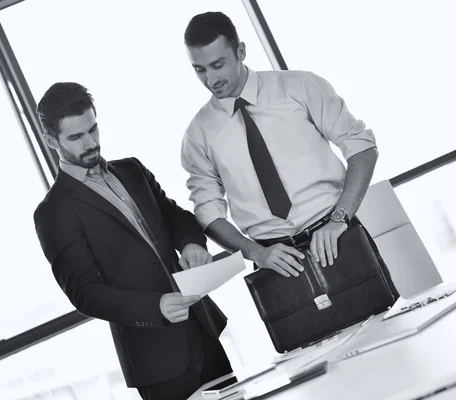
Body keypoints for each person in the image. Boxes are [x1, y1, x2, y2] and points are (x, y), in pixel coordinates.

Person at [33, 82, 234, 400]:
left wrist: (193, 243)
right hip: (155, 359)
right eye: (76, 137)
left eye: (93, 129)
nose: (91, 142)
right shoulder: (54, 212)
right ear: (49, 140)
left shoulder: (132, 170)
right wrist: (155, 307)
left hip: (202, 328)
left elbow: (174, 217)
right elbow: (85, 293)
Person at [180, 11, 399, 296]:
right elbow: (208, 212)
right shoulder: (197, 135)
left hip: (337, 234)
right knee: (304, 341)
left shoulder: (301, 86)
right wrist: (254, 252)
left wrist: (338, 220)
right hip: (273, 261)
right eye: (200, 69)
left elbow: (362, 148)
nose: (211, 79)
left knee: (387, 322)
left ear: (241, 51)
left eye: (218, 65)